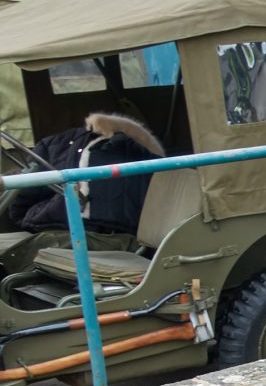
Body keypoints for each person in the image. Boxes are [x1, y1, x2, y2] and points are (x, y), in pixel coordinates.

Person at [0, 112, 164, 275]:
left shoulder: (133, 151)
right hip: (63, 225)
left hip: (111, 235)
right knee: (41, 242)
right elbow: (22, 202)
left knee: (43, 244)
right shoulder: (56, 145)